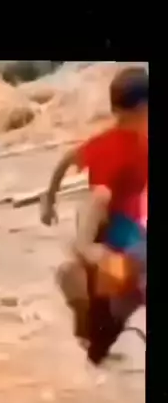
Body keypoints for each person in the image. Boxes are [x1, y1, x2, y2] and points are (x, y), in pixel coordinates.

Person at [40, 65, 148, 364]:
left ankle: (92, 330)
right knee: (126, 292)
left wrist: (49, 199)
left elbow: (66, 160)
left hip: (112, 228)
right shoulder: (126, 148)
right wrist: (86, 244)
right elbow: (100, 197)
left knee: (108, 302)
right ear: (141, 108)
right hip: (113, 232)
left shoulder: (108, 141)